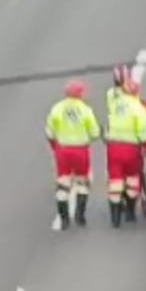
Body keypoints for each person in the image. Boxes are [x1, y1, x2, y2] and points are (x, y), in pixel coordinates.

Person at [46, 79, 101, 229]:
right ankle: (80, 216)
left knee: (63, 182)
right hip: (80, 150)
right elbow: (95, 133)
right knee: (82, 182)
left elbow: (49, 132)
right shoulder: (85, 110)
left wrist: (55, 147)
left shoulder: (57, 108)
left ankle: (64, 219)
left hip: (62, 150)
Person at [104, 79, 146, 228]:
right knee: (132, 179)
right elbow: (143, 133)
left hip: (113, 146)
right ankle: (130, 212)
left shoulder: (115, 104)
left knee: (115, 180)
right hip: (131, 148)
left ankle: (115, 217)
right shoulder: (139, 108)